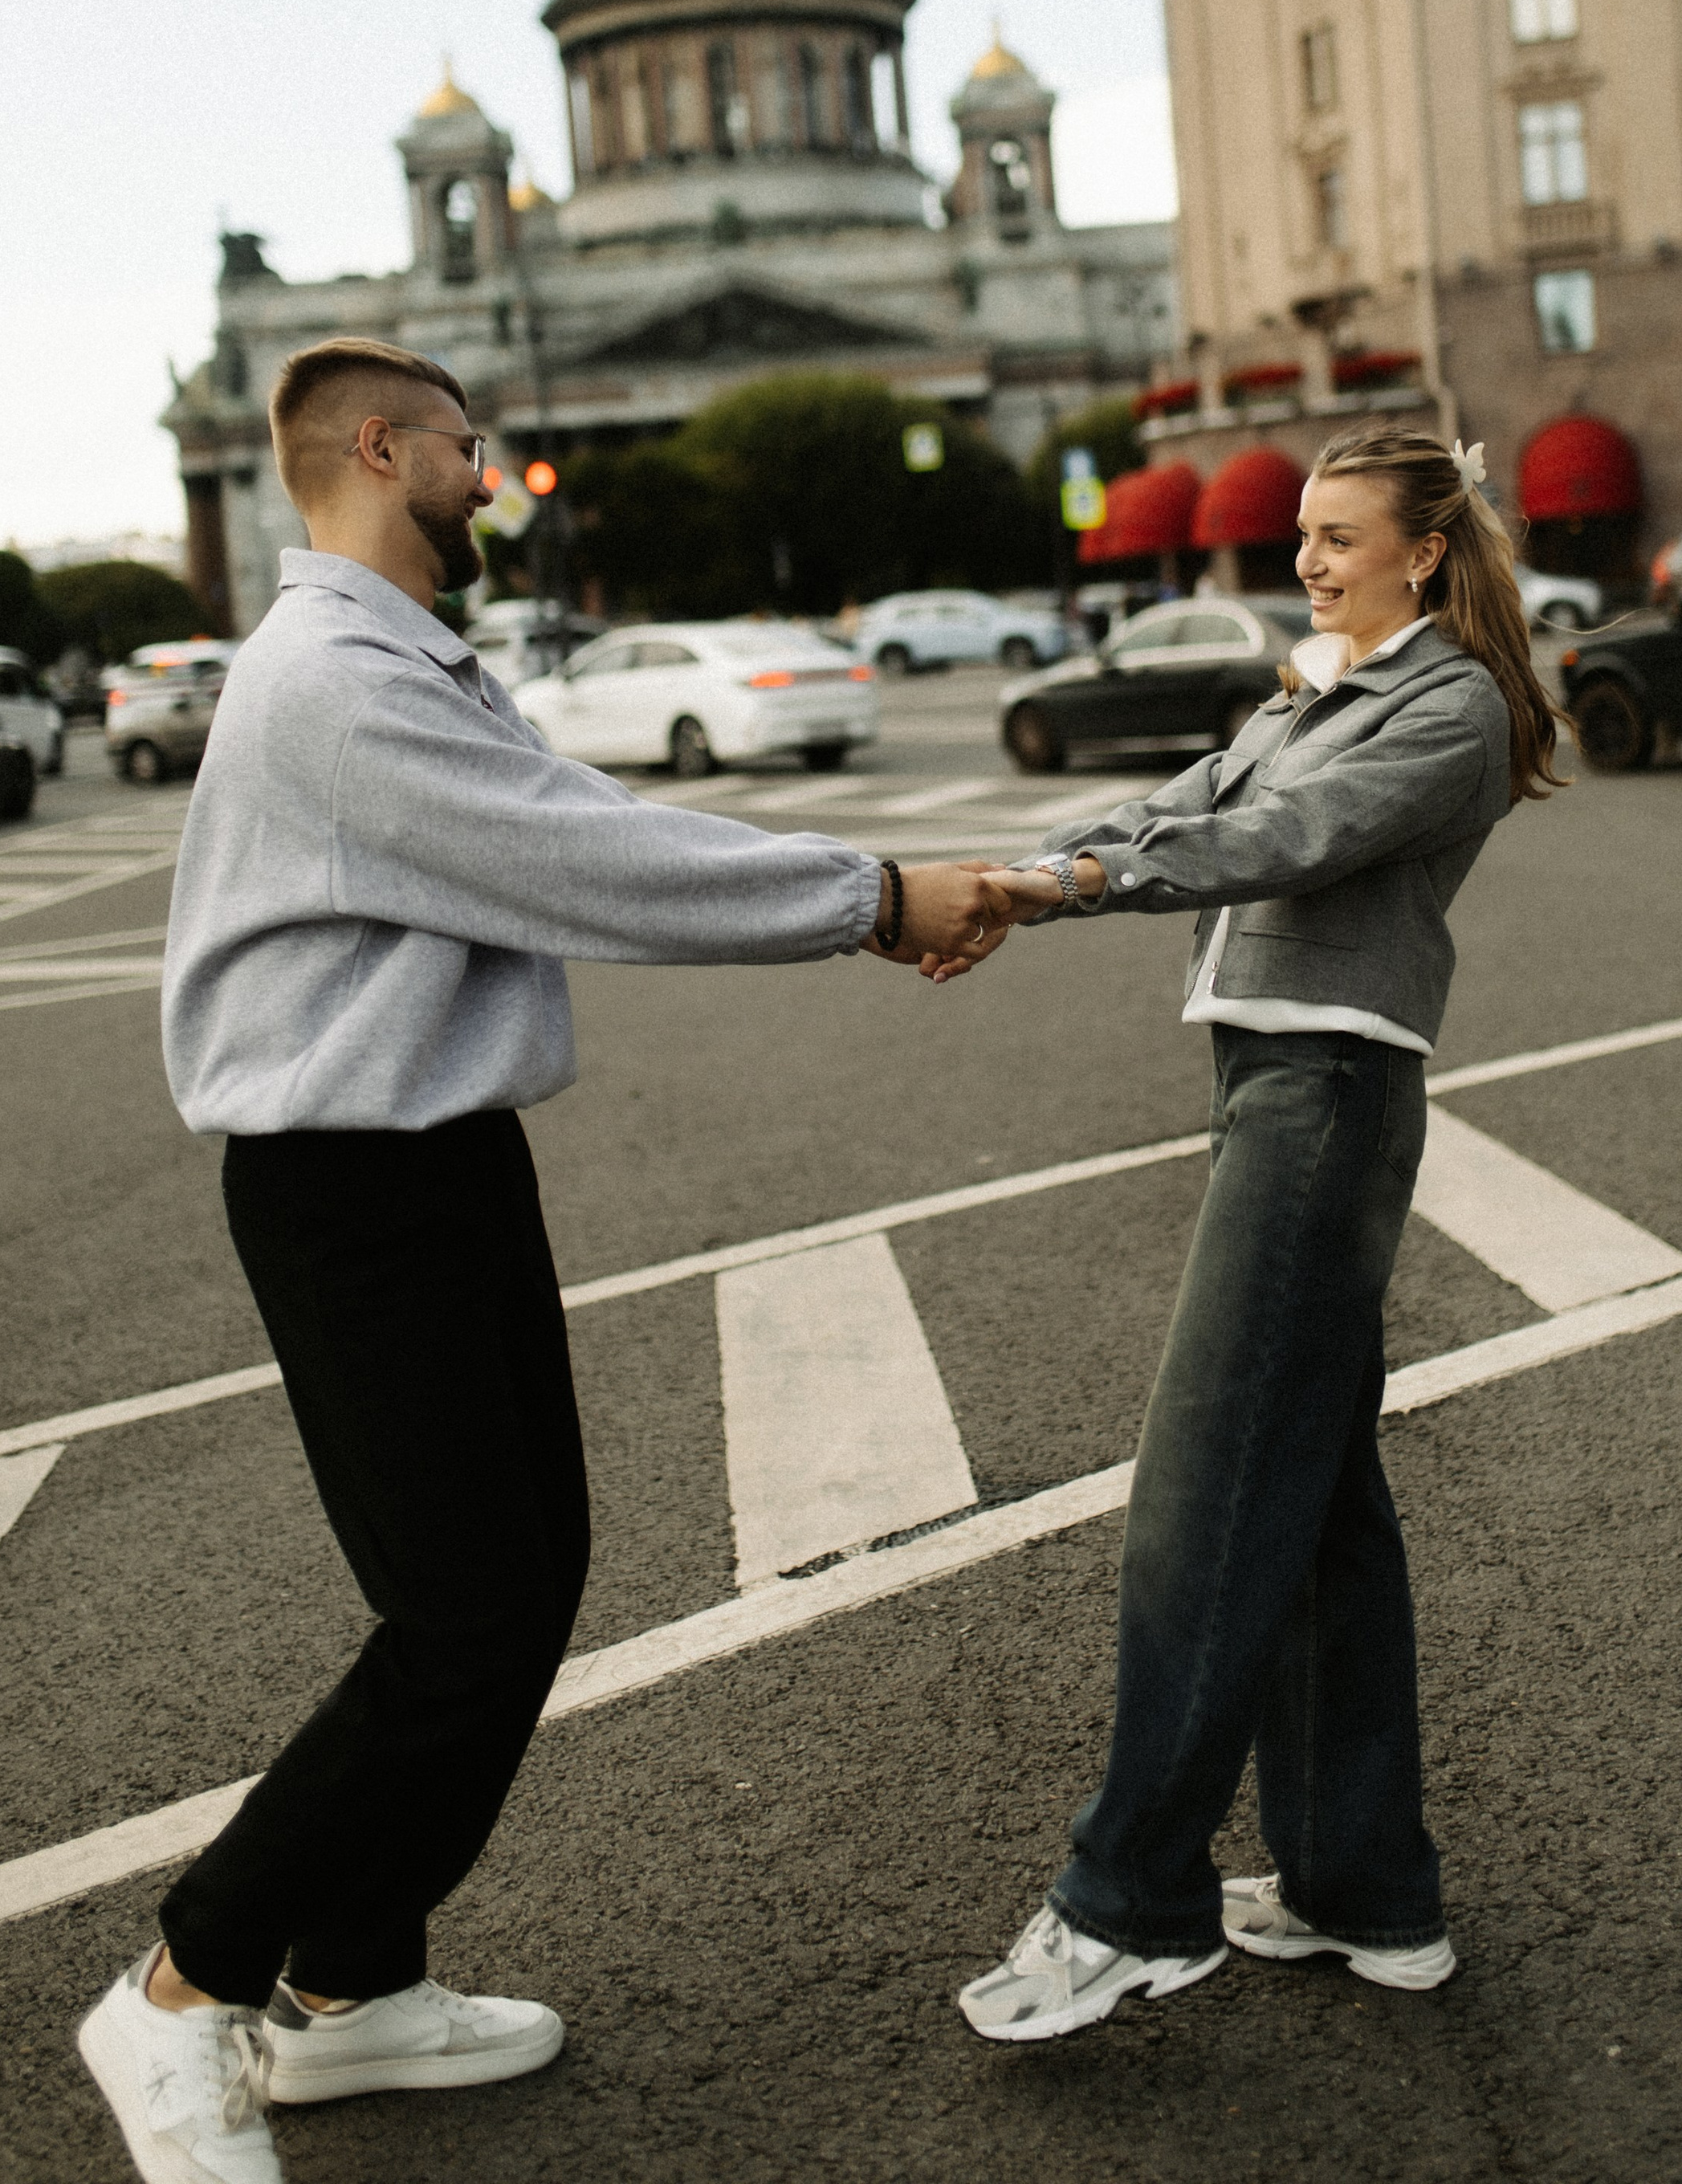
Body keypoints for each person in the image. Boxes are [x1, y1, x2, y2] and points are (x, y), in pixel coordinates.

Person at [79, 338, 1011, 2183]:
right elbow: (580, 855)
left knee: (523, 1578)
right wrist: (868, 898)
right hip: (349, 1183)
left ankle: (350, 1987)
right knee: (461, 1616)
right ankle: (187, 1988)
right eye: (463, 448)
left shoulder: (408, 660)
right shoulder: (334, 679)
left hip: (440, 1161)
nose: (489, 477)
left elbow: (559, 845)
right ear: (376, 448)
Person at [956, 420, 1564, 2043]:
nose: (1304, 558)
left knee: (1207, 1496)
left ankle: (1129, 1903)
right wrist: (1028, 871)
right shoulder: (1327, 687)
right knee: (1309, 1513)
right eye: (1299, 533)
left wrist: (1074, 889)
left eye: (1338, 537)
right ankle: (1364, 1891)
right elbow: (1192, 800)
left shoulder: (1452, 706)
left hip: (1327, 1103)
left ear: (1424, 550)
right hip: (1268, 1081)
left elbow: (1281, 841)